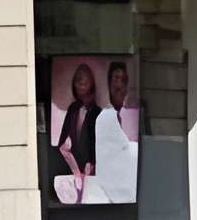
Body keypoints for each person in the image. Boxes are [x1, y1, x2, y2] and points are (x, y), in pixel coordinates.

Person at [54, 61, 99, 206]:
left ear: (91, 83)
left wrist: (92, 161)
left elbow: (96, 139)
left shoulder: (96, 111)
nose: (81, 81)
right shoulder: (73, 108)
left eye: (85, 78)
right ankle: (77, 177)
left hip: (90, 163)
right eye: (78, 78)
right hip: (73, 161)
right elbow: (64, 135)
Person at [95, 58, 138, 207]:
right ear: (109, 83)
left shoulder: (129, 114)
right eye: (116, 79)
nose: (119, 85)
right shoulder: (106, 117)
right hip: (113, 192)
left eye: (123, 80)